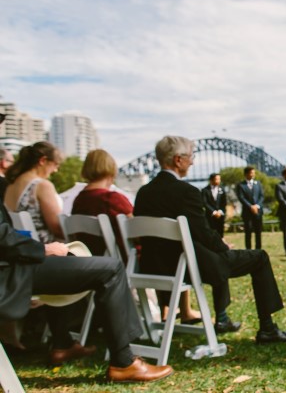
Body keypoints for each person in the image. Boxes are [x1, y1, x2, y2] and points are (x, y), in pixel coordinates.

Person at [133, 136, 286, 343]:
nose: (192, 161)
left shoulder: (143, 193)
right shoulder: (186, 192)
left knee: (217, 254)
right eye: (190, 157)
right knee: (258, 257)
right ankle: (267, 329)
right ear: (177, 160)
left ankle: (223, 318)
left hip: (154, 266)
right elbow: (202, 232)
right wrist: (222, 244)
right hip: (188, 267)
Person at [0, 206, 174, 382]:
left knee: (65, 260)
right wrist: (42, 250)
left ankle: (63, 343)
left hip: (11, 267)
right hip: (8, 273)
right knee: (111, 269)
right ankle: (124, 362)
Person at [72, 149, 201, 324]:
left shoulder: (79, 199)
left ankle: (169, 310)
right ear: (111, 169)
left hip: (91, 262)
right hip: (125, 263)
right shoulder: (111, 199)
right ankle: (180, 310)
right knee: (171, 250)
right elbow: (137, 232)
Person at [4, 142, 64, 244]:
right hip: (47, 250)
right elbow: (57, 228)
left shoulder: (11, 186)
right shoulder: (42, 185)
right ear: (43, 160)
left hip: (23, 247)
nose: (55, 170)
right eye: (55, 165)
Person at [236, 166, 264, 249]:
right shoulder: (241, 185)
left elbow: (261, 196)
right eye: (251, 173)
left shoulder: (258, 184)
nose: (253, 174)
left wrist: (257, 206)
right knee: (248, 232)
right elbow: (241, 198)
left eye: (254, 173)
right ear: (246, 174)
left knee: (258, 232)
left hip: (258, 212)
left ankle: (258, 249)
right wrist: (251, 207)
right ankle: (248, 250)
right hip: (247, 212)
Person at [201, 173, 227, 237]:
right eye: (216, 179)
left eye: (219, 179)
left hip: (220, 215)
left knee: (220, 234)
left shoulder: (222, 189)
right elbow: (204, 203)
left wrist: (220, 212)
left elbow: (224, 202)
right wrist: (214, 212)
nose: (218, 181)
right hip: (210, 216)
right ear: (211, 180)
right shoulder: (205, 190)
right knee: (211, 234)